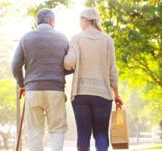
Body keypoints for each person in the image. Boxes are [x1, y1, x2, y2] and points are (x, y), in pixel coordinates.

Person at [64, 7, 123, 151]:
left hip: (81, 94)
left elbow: (69, 63)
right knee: (101, 133)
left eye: (80, 20)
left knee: (83, 134)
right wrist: (116, 94)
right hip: (102, 95)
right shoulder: (108, 40)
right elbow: (113, 71)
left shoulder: (77, 38)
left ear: (85, 19)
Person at [11, 8, 69, 151]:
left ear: (37, 21)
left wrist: (21, 84)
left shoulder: (26, 38)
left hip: (33, 90)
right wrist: (58, 72)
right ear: (51, 21)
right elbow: (70, 65)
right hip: (55, 90)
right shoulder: (62, 38)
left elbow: (15, 66)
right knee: (57, 129)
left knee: (35, 131)